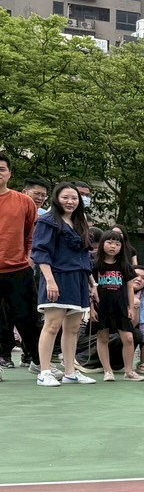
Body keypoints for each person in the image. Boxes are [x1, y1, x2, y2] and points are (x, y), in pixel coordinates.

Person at [31, 182, 99, 386]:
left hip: (78, 280)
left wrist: (92, 283)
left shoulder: (80, 223)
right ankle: (44, 372)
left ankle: (70, 372)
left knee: (74, 327)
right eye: (65, 198)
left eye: (74, 198)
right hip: (57, 277)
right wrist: (50, 280)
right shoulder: (47, 221)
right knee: (52, 325)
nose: (70, 202)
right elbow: (41, 252)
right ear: (56, 199)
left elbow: (84, 255)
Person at [0, 153, 43, 375]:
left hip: (18, 270)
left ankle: (38, 361)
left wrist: (29, 257)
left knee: (28, 319)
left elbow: (31, 235)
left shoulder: (24, 201)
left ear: (9, 174)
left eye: (1, 169)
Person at [92, 229, 144, 381]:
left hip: (121, 307)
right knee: (103, 338)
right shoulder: (95, 265)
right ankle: (107, 371)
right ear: (102, 244)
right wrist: (91, 308)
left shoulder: (125, 266)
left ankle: (129, 371)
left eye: (117, 243)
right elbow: (90, 288)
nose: (113, 246)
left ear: (122, 246)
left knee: (128, 338)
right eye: (109, 242)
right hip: (101, 307)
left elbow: (129, 288)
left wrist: (131, 307)